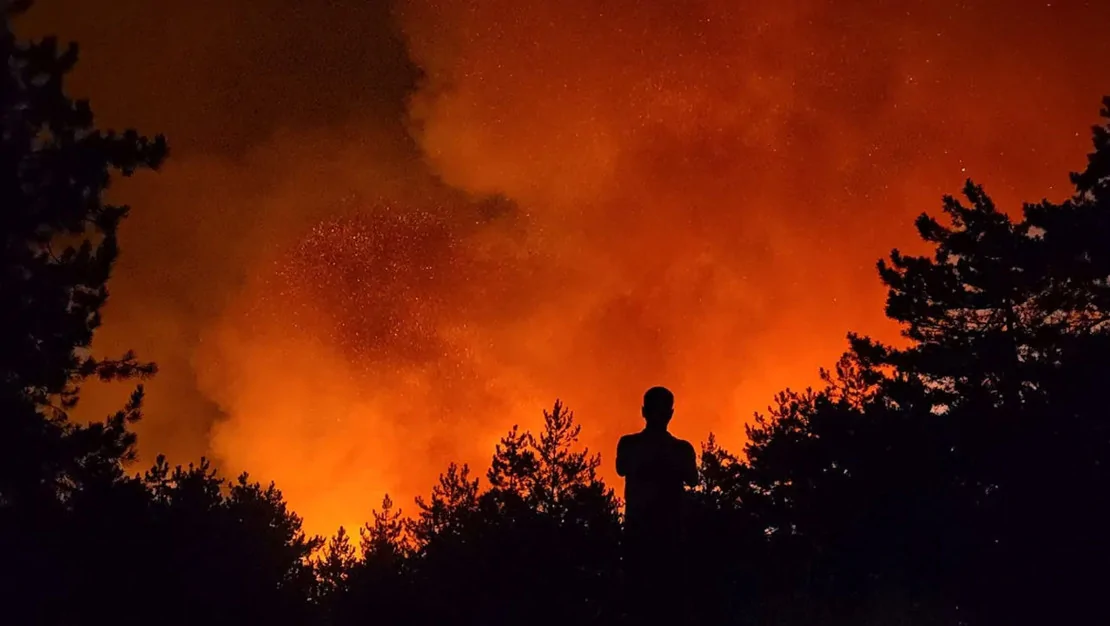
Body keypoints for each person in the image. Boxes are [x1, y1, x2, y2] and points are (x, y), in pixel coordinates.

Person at [616, 386, 698, 623]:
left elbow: (621, 468)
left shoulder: (630, 445)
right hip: (666, 537)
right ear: (671, 413)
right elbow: (693, 479)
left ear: (643, 411)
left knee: (639, 604)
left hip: (643, 535)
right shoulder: (681, 449)